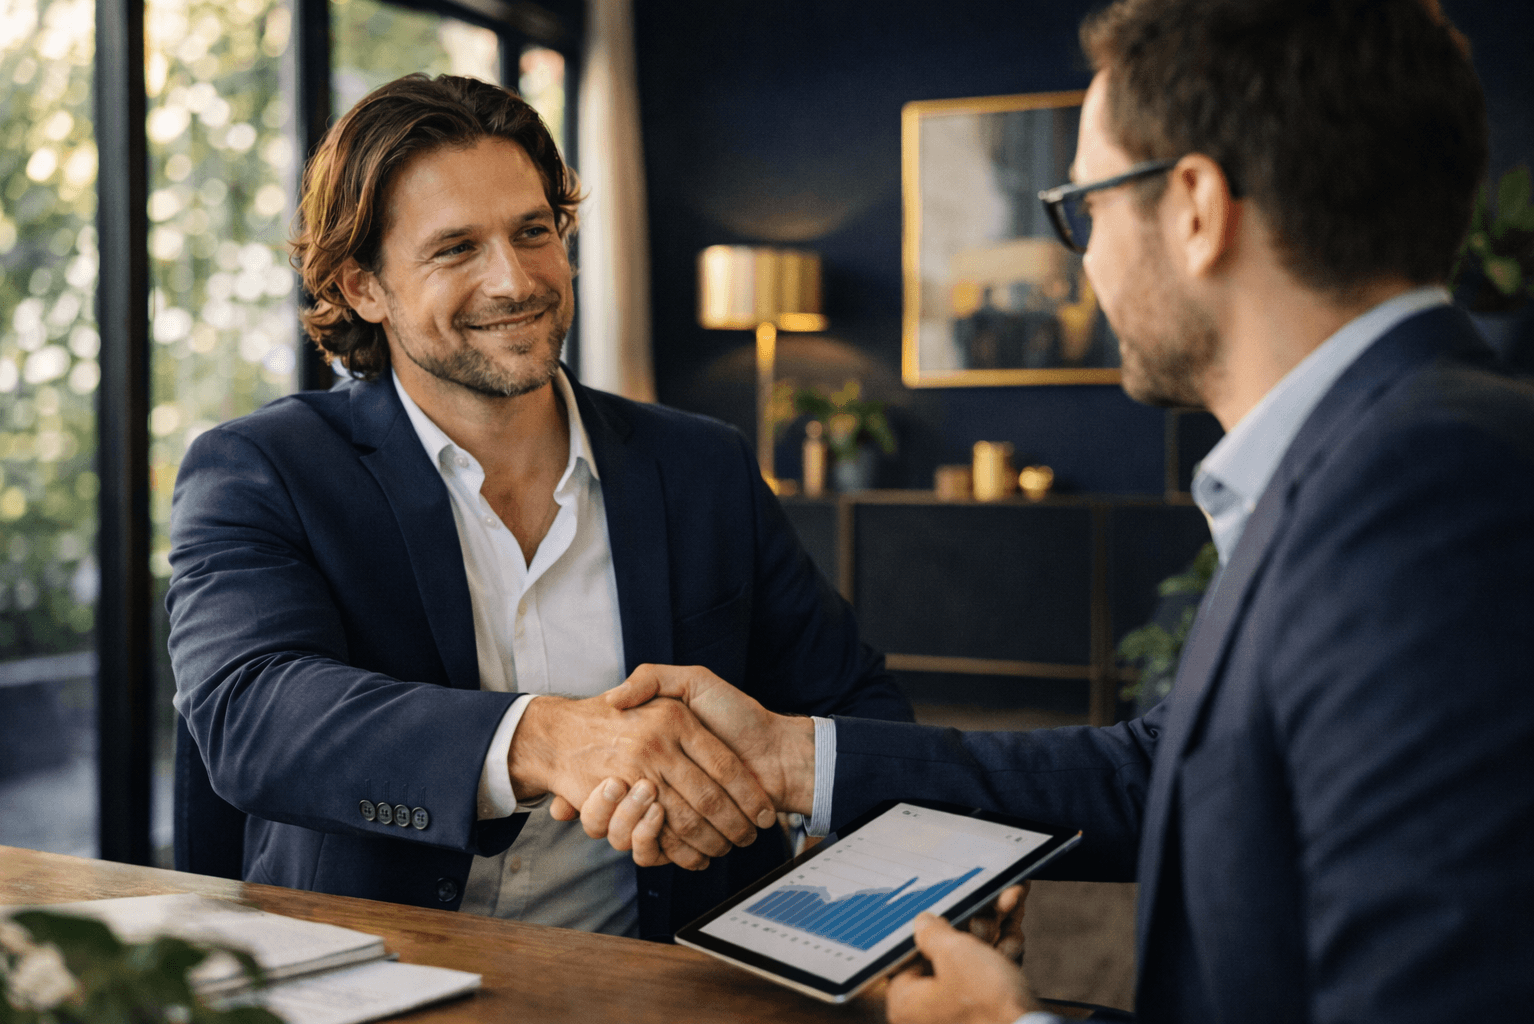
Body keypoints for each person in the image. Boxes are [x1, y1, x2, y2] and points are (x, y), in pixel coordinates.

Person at [564, 0, 1534, 1019]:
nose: (1083, 257)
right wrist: (788, 757)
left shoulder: (1431, 499)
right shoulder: (1378, 458)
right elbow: (1159, 773)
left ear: (1196, 208)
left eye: (1085, 207)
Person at [164, 73, 914, 943]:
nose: (515, 280)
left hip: (659, 979)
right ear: (362, 286)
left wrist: (905, 867)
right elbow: (250, 711)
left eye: (534, 232)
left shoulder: (701, 462)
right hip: (374, 972)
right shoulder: (263, 467)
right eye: (455, 249)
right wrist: (547, 738)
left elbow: (854, 702)